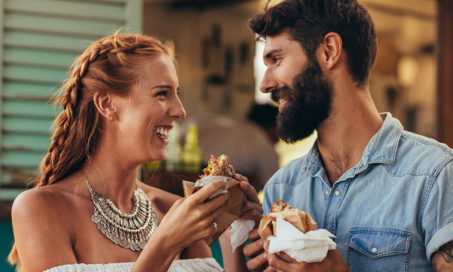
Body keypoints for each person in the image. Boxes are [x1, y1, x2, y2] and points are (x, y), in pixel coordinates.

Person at [243, 0, 453, 271]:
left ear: (329, 51)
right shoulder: (282, 188)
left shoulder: (441, 177)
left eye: (276, 60)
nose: (265, 84)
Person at [8, 33, 262, 272]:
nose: (180, 111)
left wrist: (234, 235)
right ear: (107, 104)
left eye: (177, 94)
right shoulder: (40, 209)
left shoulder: (172, 208)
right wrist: (165, 243)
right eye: (162, 93)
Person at [182, 103, 279, 191]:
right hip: (215, 186)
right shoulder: (261, 140)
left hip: (182, 174)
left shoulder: (224, 123)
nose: (279, 137)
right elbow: (273, 185)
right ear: (273, 127)